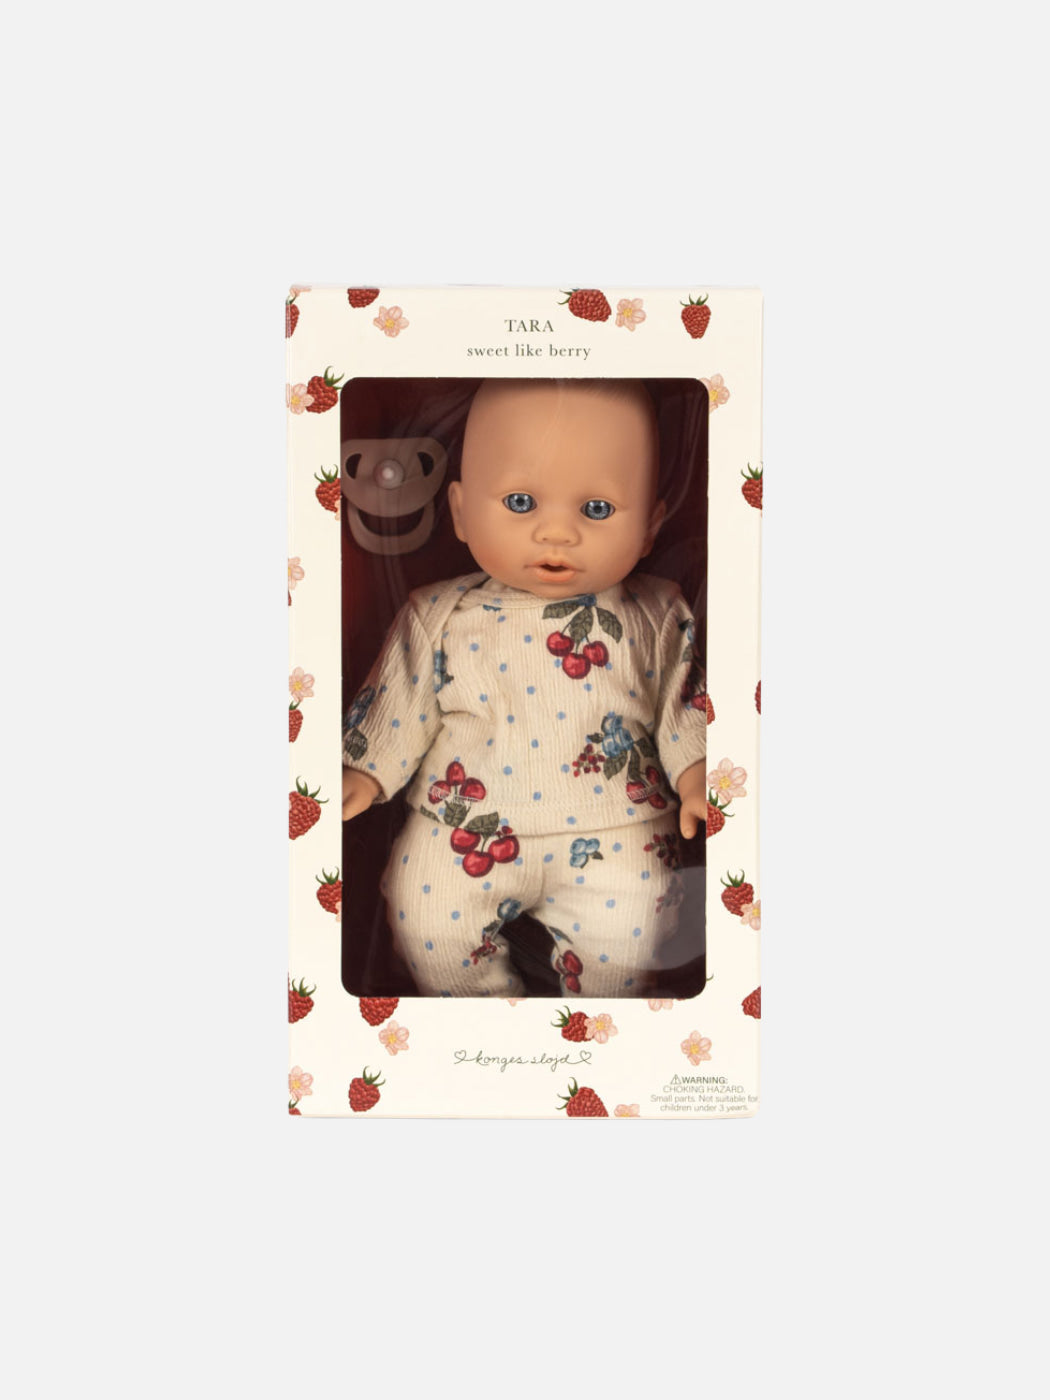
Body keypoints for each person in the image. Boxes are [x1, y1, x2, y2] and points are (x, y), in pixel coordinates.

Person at [342, 378, 706, 997]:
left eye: (596, 509)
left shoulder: (656, 613)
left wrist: (697, 773)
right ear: (461, 512)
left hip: (618, 823)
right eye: (520, 502)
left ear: (650, 527)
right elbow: (399, 699)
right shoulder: (438, 613)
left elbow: (685, 705)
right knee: (424, 919)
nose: (556, 533)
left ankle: (596, 1027)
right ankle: (482, 1024)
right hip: (463, 822)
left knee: (634, 933)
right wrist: (364, 769)